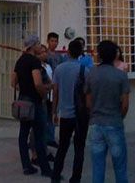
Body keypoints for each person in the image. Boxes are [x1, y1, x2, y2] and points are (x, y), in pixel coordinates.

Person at [85, 40, 130, 183]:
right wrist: (119, 117)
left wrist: (94, 114)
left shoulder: (91, 74)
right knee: (120, 167)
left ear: (99, 55)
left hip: (96, 123)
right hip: (114, 122)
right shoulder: (121, 75)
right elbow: (125, 105)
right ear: (115, 55)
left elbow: (88, 101)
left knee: (98, 167)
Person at [11, 35, 53, 177]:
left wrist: (23, 87)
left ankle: (26, 166)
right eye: (38, 44)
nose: (40, 46)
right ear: (32, 46)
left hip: (23, 100)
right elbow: (37, 83)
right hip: (34, 102)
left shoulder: (20, 61)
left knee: (23, 134)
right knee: (40, 136)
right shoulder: (34, 61)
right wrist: (43, 94)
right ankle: (45, 169)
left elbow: (13, 82)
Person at [51, 40, 90, 183]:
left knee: (62, 147)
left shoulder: (59, 69)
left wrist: (54, 112)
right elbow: (87, 94)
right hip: (80, 115)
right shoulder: (84, 70)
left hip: (65, 114)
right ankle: (75, 178)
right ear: (80, 53)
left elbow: (55, 93)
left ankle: (55, 175)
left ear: (67, 51)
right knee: (79, 149)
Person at [30, 45, 55, 164]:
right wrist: (47, 88)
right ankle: (35, 153)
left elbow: (51, 81)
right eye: (42, 52)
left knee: (44, 126)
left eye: (45, 52)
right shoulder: (35, 68)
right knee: (36, 128)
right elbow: (40, 84)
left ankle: (44, 150)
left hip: (47, 99)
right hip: (40, 99)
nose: (45, 54)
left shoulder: (47, 66)